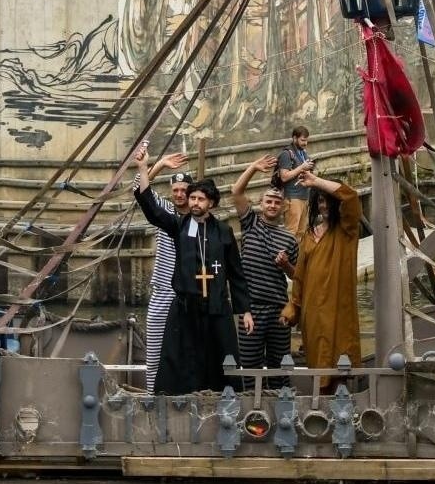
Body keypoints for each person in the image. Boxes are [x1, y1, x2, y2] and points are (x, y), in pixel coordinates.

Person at [133, 173, 253, 394]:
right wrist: (143, 166)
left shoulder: (224, 232)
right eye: (193, 198)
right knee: (180, 361)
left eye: (200, 199)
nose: (195, 203)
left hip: (216, 308)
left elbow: (236, 273)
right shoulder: (179, 226)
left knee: (220, 362)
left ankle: (222, 404)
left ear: (211, 203)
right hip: (186, 309)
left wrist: (244, 310)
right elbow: (152, 211)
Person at [279, 173, 361, 383]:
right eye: (321, 201)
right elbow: (300, 277)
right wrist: (293, 308)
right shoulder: (309, 235)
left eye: (329, 201)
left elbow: (350, 197)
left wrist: (316, 182)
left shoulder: (346, 231)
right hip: (312, 312)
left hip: (337, 309)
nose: (325, 206)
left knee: (339, 363)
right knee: (318, 363)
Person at [230, 155, 299, 385]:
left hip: (279, 309)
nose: (272, 205)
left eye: (277, 202)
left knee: (280, 370)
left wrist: (286, 265)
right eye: (268, 201)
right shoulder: (250, 223)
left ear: (283, 206)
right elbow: (236, 192)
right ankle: (254, 416)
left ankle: (281, 414)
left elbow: (296, 276)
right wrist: (252, 167)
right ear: (261, 204)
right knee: (250, 369)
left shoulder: (289, 239)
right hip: (251, 310)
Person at [131, 145, 190, 392]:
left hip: (186, 294)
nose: (178, 194)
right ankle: (152, 396)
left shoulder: (197, 217)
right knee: (154, 352)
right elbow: (139, 189)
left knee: (186, 351)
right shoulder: (164, 211)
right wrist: (158, 165)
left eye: (183, 190)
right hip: (162, 291)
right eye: (175, 190)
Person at [275, 125, 316, 239]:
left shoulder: (303, 153)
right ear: (294, 138)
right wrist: (302, 167)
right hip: (292, 198)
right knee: (291, 233)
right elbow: (284, 176)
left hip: (304, 197)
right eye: (303, 140)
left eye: (307, 140)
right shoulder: (286, 154)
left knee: (302, 233)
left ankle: (299, 257)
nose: (305, 143)